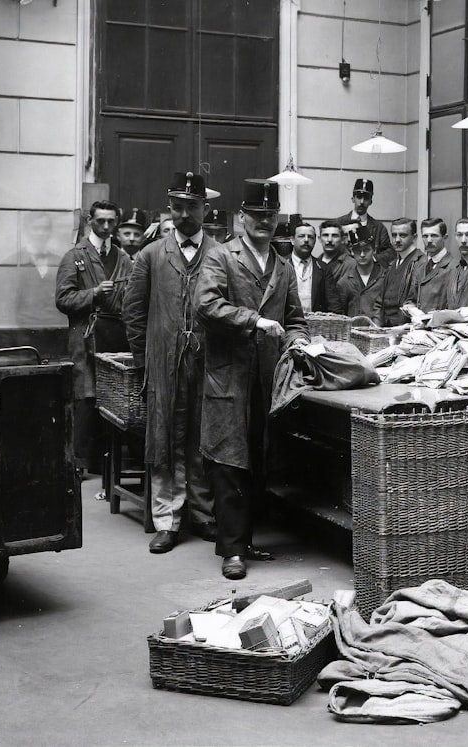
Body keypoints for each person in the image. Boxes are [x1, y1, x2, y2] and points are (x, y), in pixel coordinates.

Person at [195, 179, 309, 580]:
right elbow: (206, 305)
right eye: (256, 215)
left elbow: (295, 319)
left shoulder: (282, 263)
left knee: (258, 461)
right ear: (241, 217)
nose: (263, 221)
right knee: (229, 462)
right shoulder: (221, 256)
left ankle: (244, 540)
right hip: (229, 377)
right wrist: (254, 320)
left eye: (269, 215)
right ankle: (231, 550)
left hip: (267, 377)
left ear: (277, 219)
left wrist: (301, 345)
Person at [123, 171, 217, 554]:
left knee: (205, 438)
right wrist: (146, 362)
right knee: (164, 441)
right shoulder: (150, 255)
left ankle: (204, 513)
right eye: (177, 207)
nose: (184, 215)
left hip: (210, 364)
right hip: (163, 364)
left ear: (205, 209)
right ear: (170, 208)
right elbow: (133, 312)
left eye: (191, 207)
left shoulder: (221, 254)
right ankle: (167, 520)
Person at [55, 199, 133, 475]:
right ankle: (79, 464)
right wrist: (94, 294)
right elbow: (63, 299)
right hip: (86, 335)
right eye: (101, 220)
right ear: (90, 220)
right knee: (86, 397)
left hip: (116, 336)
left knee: (112, 399)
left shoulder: (123, 259)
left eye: (112, 221)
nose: (106, 226)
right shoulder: (75, 256)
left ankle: (104, 466)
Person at [333, 177, 395, 267]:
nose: (362, 202)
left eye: (366, 198)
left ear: (371, 201)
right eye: (359, 197)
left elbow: (390, 252)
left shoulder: (379, 228)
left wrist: (372, 259)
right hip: (343, 272)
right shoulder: (338, 223)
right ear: (353, 199)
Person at [373, 217, 423, 326]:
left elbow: (416, 303)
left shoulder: (420, 263)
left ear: (414, 237)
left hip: (405, 329)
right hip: (385, 329)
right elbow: (379, 302)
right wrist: (376, 328)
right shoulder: (392, 264)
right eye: (394, 235)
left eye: (403, 235)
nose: (397, 240)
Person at [332, 225, 384, 317]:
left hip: (379, 328)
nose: (362, 254)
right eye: (357, 251)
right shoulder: (344, 282)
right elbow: (341, 315)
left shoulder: (385, 276)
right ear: (352, 252)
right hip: (354, 328)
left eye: (367, 250)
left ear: (374, 250)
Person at [408, 217, 454, 313]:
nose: (429, 240)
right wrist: (410, 309)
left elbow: (453, 305)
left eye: (434, 236)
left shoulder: (454, 267)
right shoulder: (419, 264)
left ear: (445, 237)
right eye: (425, 236)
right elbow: (411, 299)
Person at [318, 218, 355, 314]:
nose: (329, 240)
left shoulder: (351, 264)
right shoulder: (315, 264)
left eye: (334, 236)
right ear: (319, 239)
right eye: (325, 235)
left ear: (342, 239)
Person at [290, 221, 327, 313]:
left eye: (310, 237)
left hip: (316, 323)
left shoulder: (323, 268)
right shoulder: (280, 265)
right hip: (287, 323)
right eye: (301, 236)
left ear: (315, 241)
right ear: (292, 240)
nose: (306, 240)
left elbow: (331, 303)